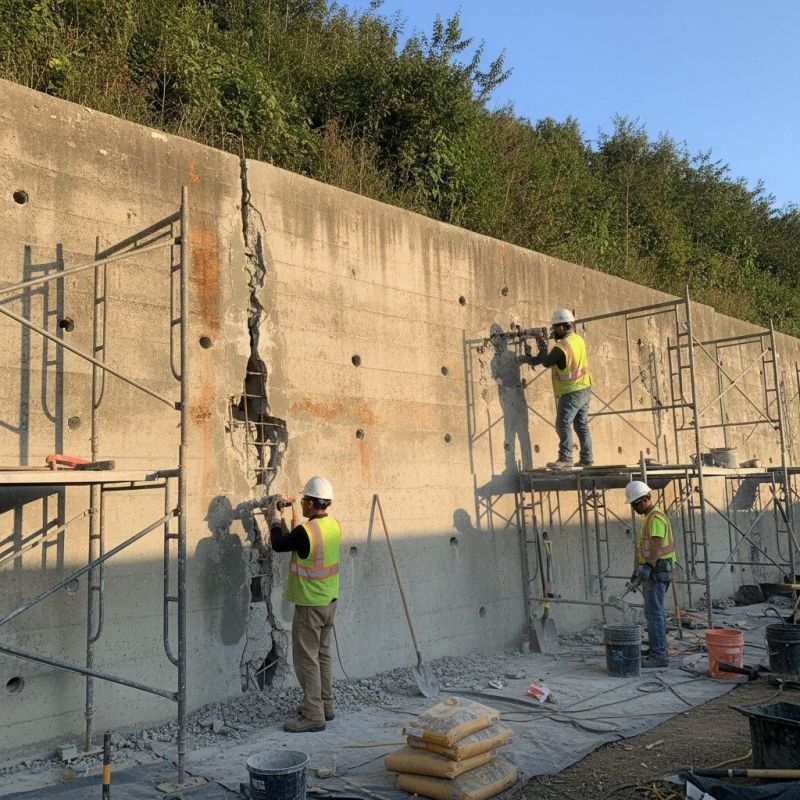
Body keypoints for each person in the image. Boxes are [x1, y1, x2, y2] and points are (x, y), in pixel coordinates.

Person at [266, 476, 341, 732]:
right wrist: (294, 519)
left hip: (310, 604)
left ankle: (313, 715)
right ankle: (326, 706)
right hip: (328, 601)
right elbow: (304, 543)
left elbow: (279, 544)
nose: (301, 503)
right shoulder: (332, 525)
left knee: (306, 659)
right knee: (322, 654)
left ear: (310, 503)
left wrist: (274, 518)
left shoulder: (306, 532)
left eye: (303, 500)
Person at [523, 308, 592, 470]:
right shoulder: (577, 339)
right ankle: (587, 458)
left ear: (562, 327)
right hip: (585, 387)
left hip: (571, 390)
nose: (553, 331)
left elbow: (546, 361)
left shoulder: (562, 347)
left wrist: (541, 343)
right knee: (581, 424)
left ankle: (566, 458)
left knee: (562, 423)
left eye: (555, 327)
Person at [624, 480, 676, 668]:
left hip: (657, 570)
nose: (634, 508)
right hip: (654, 569)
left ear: (645, 499)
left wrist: (647, 567)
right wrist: (637, 570)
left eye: (635, 504)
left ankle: (659, 654)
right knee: (652, 612)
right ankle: (656, 648)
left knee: (654, 613)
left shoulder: (655, 518)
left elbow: (656, 545)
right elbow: (643, 549)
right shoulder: (648, 517)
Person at [489, 323, 534, 472]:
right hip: (509, 400)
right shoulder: (495, 361)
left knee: (520, 433)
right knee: (512, 433)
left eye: (498, 337)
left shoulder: (510, 357)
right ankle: (512, 466)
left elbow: (529, 360)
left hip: (516, 398)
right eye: (494, 338)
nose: (497, 342)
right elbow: (498, 379)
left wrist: (528, 354)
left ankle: (525, 466)